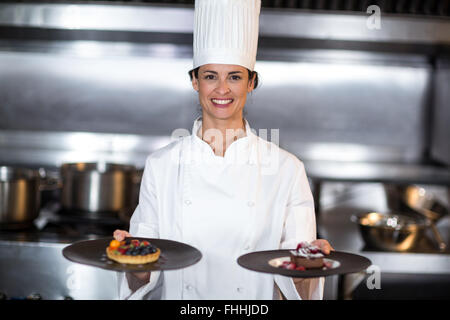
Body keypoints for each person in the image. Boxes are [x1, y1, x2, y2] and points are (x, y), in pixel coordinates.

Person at [114, 0, 333, 300]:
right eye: (210, 76)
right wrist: (131, 257)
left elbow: (296, 285)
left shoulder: (286, 169)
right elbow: (145, 278)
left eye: (234, 76)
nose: (222, 89)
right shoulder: (161, 166)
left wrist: (310, 265)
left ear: (252, 82)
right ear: (194, 81)